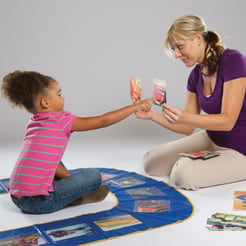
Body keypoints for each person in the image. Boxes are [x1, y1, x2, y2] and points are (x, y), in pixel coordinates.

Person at [1, 70, 152, 214]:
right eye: (59, 94)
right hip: (40, 203)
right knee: (93, 176)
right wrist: (135, 107)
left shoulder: (34, 122)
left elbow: (47, 160)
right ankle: (74, 196)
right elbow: (104, 120)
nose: (63, 98)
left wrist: (70, 180)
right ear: (45, 102)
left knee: (53, 159)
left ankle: (73, 190)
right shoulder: (61, 120)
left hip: (16, 197)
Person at [136, 14, 246, 190]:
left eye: (180, 46)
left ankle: (203, 165)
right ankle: (207, 162)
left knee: (183, 176)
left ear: (197, 38)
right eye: (174, 49)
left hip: (241, 150)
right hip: (212, 138)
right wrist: (152, 115)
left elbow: (227, 121)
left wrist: (185, 117)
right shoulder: (195, 75)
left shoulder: (233, 60)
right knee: (152, 163)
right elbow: (186, 128)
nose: (177, 54)